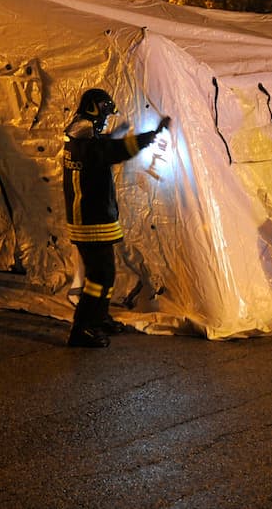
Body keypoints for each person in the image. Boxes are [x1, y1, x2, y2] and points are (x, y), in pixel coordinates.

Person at [62, 88, 170, 348]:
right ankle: (83, 328)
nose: (107, 120)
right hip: (90, 220)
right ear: (95, 109)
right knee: (99, 276)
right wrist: (152, 136)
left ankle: (99, 318)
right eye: (106, 114)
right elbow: (114, 150)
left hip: (93, 218)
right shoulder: (86, 142)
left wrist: (117, 135)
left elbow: (106, 146)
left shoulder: (81, 135)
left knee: (106, 274)